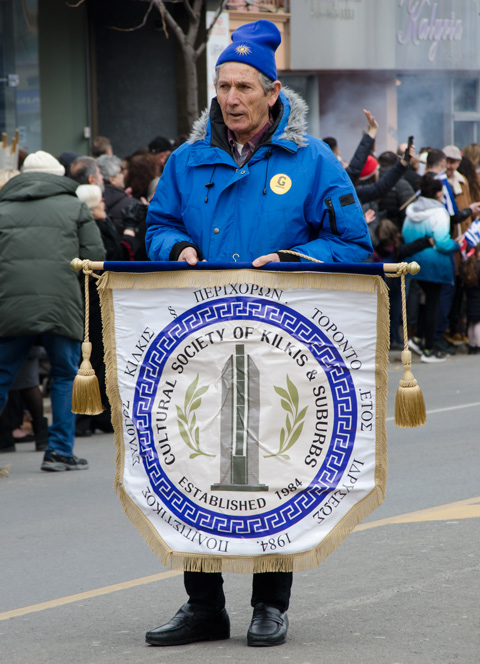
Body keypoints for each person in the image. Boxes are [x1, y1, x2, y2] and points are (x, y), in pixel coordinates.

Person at [144, 19, 372, 648]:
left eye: (244, 86)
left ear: (274, 92)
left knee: (275, 465)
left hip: (284, 347)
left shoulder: (313, 160)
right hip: (198, 344)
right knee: (189, 463)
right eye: (222, 87)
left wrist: (298, 260)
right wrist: (178, 248)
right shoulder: (186, 162)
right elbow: (156, 228)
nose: (231, 99)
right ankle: (203, 605)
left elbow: (355, 244)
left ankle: (270, 603)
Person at [0, 150, 105, 470]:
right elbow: (94, 255)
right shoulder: (73, 206)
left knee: (2, 376)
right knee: (64, 375)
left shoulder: (2, 209)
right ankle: (59, 451)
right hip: (62, 303)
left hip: (11, 304)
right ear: (58, 176)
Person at [402, 173, 460, 363]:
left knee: (425, 302)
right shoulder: (439, 212)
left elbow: (406, 235)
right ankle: (429, 349)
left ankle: (418, 338)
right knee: (433, 304)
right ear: (436, 193)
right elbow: (443, 243)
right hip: (435, 264)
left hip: (415, 263)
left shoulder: (411, 210)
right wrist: (457, 245)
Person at [460, 243, 480, 354]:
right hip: (478, 299)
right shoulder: (478, 266)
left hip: (470, 299)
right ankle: (478, 345)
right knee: (478, 324)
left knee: (472, 323)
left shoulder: (469, 265)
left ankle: (472, 345)